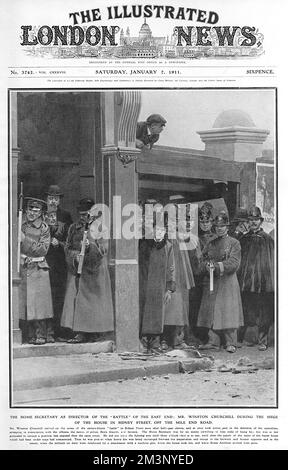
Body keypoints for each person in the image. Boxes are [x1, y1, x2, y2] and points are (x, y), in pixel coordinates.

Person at [61, 198, 114, 343]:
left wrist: (90, 247)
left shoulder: (101, 228)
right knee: (78, 300)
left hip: (95, 271)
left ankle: (96, 332)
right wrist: (75, 257)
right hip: (78, 269)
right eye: (82, 214)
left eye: (87, 214)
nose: (84, 217)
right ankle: (81, 332)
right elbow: (67, 247)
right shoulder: (73, 228)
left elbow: (104, 250)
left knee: (95, 302)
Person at [197, 212, 244, 353]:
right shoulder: (211, 244)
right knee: (212, 312)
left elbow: (234, 263)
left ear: (227, 227)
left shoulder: (235, 243)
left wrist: (216, 266)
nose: (219, 228)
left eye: (222, 226)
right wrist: (206, 266)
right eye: (217, 226)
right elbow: (202, 260)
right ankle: (213, 342)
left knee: (228, 312)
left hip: (228, 282)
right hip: (212, 281)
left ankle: (231, 342)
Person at [237, 206, 274, 351]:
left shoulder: (267, 239)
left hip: (262, 281)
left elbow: (271, 262)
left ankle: (262, 340)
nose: (253, 222)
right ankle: (241, 338)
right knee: (246, 308)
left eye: (256, 220)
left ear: (261, 221)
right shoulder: (243, 239)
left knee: (263, 310)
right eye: (251, 220)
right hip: (246, 281)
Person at [20, 197, 54, 345]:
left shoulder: (44, 228)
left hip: (39, 268)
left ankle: (42, 334)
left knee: (40, 305)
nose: (32, 213)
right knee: (28, 304)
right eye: (30, 210)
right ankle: (30, 335)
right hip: (25, 267)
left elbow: (43, 249)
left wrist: (25, 240)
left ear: (41, 213)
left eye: (36, 210)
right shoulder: (21, 225)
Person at [141, 223, 176, 352]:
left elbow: (171, 268)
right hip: (146, 284)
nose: (159, 232)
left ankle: (155, 342)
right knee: (144, 313)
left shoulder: (168, 246)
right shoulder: (145, 245)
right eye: (157, 229)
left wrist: (169, 288)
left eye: (162, 230)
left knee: (157, 314)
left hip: (159, 285)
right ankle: (144, 341)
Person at [163, 222, 195, 350]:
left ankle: (178, 338)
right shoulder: (164, 238)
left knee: (180, 306)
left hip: (180, 275)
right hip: (167, 274)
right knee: (167, 306)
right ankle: (165, 339)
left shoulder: (181, 237)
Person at [189, 202, 217, 343]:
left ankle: (208, 336)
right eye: (202, 221)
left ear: (212, 222)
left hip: (211, 277)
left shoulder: (216, 238)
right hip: (197, 276)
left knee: (208, 308)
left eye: (208, 221)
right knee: (195, 306)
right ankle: (196, 336)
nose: (205, 224)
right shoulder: (195, 238)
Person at [45, 208, 70, 341]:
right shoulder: (42, 227)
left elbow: (70, 243)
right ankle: (46, 332)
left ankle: (58, 331)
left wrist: (59, 243)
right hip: (44, 268)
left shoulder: (65, 226)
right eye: (49, 216)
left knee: (58, 299)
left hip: (60, 269)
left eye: (54, 216)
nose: (52, 218)